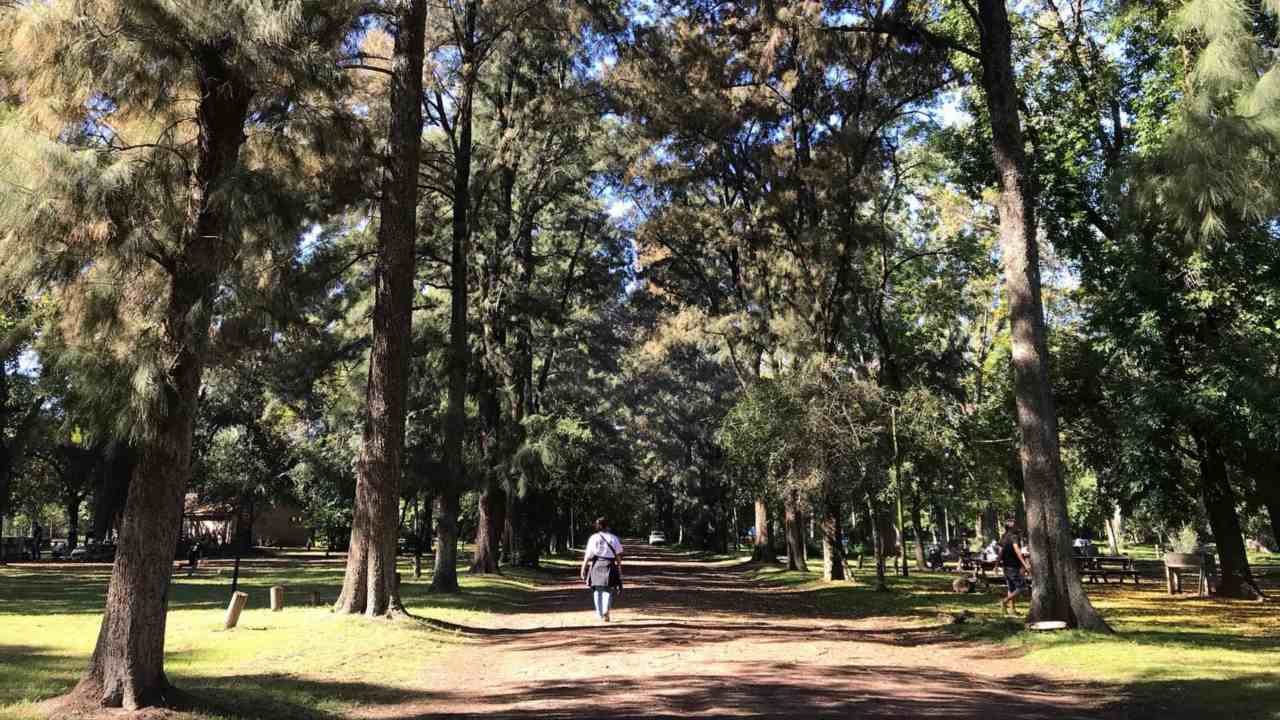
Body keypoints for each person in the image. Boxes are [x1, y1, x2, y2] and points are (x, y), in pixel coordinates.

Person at [579, 517, 623, 622]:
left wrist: (583, 568)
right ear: (607, 526)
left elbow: (588, 555)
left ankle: (599, 614)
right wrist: (619, 568)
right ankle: (606, 611)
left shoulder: (593, 538)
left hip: (596, 565)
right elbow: (618, 555)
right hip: (609, 565)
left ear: (597, 526)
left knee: (597, 590)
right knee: (607, 590)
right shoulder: (614, 538)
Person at [999, 520, 1031, 614]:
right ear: (1011, 528)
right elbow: (1017, 551)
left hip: (1006, 566)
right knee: (1022, 587)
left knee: (1011, 588)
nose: (1017, 527)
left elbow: (1000, 552)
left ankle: (1012, 610)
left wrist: (997, 564)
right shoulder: (1014, 537)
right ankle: (1004, 601)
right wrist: (1025, 564)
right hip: (1013, 566)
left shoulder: (1003, 537)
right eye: (1015, 525)